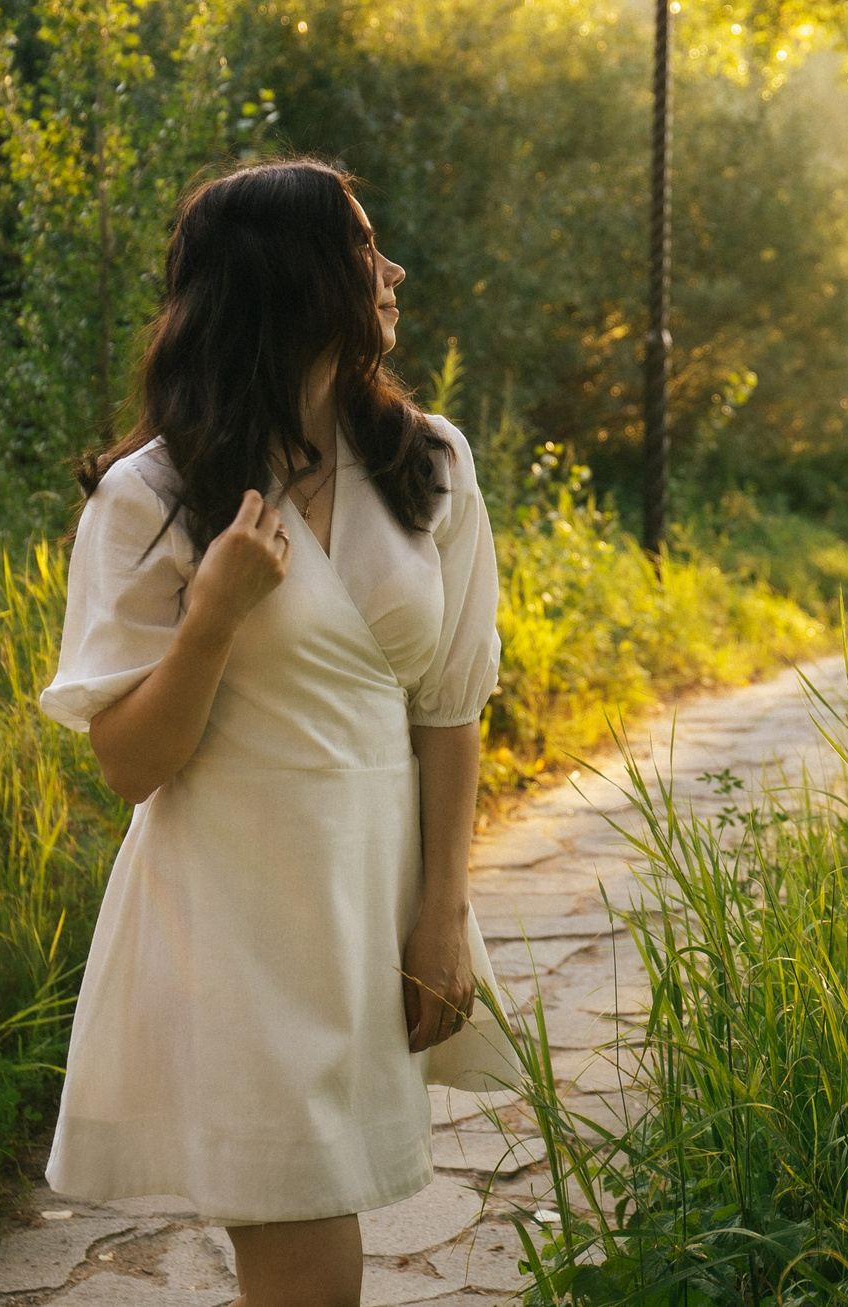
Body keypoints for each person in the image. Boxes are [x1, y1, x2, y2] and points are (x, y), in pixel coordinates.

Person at [38, 159, 522, 1307]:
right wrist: (209, 621)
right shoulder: (150, 497)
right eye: (362, 248)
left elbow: (449, 709)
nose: (391, 268)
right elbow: (129, 765)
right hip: (233, 914)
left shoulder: (430, 463)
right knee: (300, 1229)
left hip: (373, 893)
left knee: (320, 1218)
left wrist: (442, 912)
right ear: (292, 280)